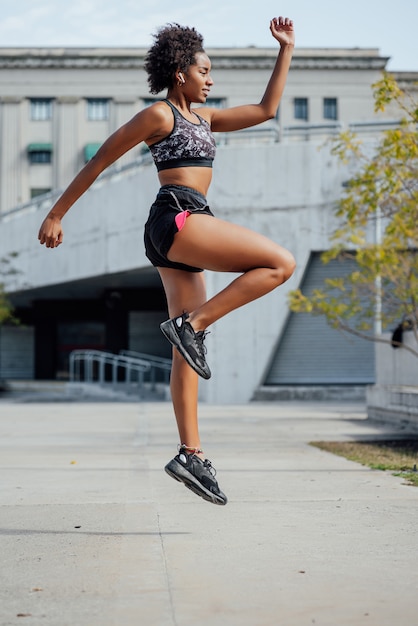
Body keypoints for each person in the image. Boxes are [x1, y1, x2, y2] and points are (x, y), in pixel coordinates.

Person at [38, 17, 296, 506]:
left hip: (180, 227)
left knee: (186, 351)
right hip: (176, 215)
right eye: (205, 71)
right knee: (279, 263)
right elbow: (98, 161)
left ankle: (190, 453)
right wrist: (56, 213)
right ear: (181, 72)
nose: (211, 80)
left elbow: (266, 109)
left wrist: (285, 49)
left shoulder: (208, 118)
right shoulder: (159, 116)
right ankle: (193, 325)